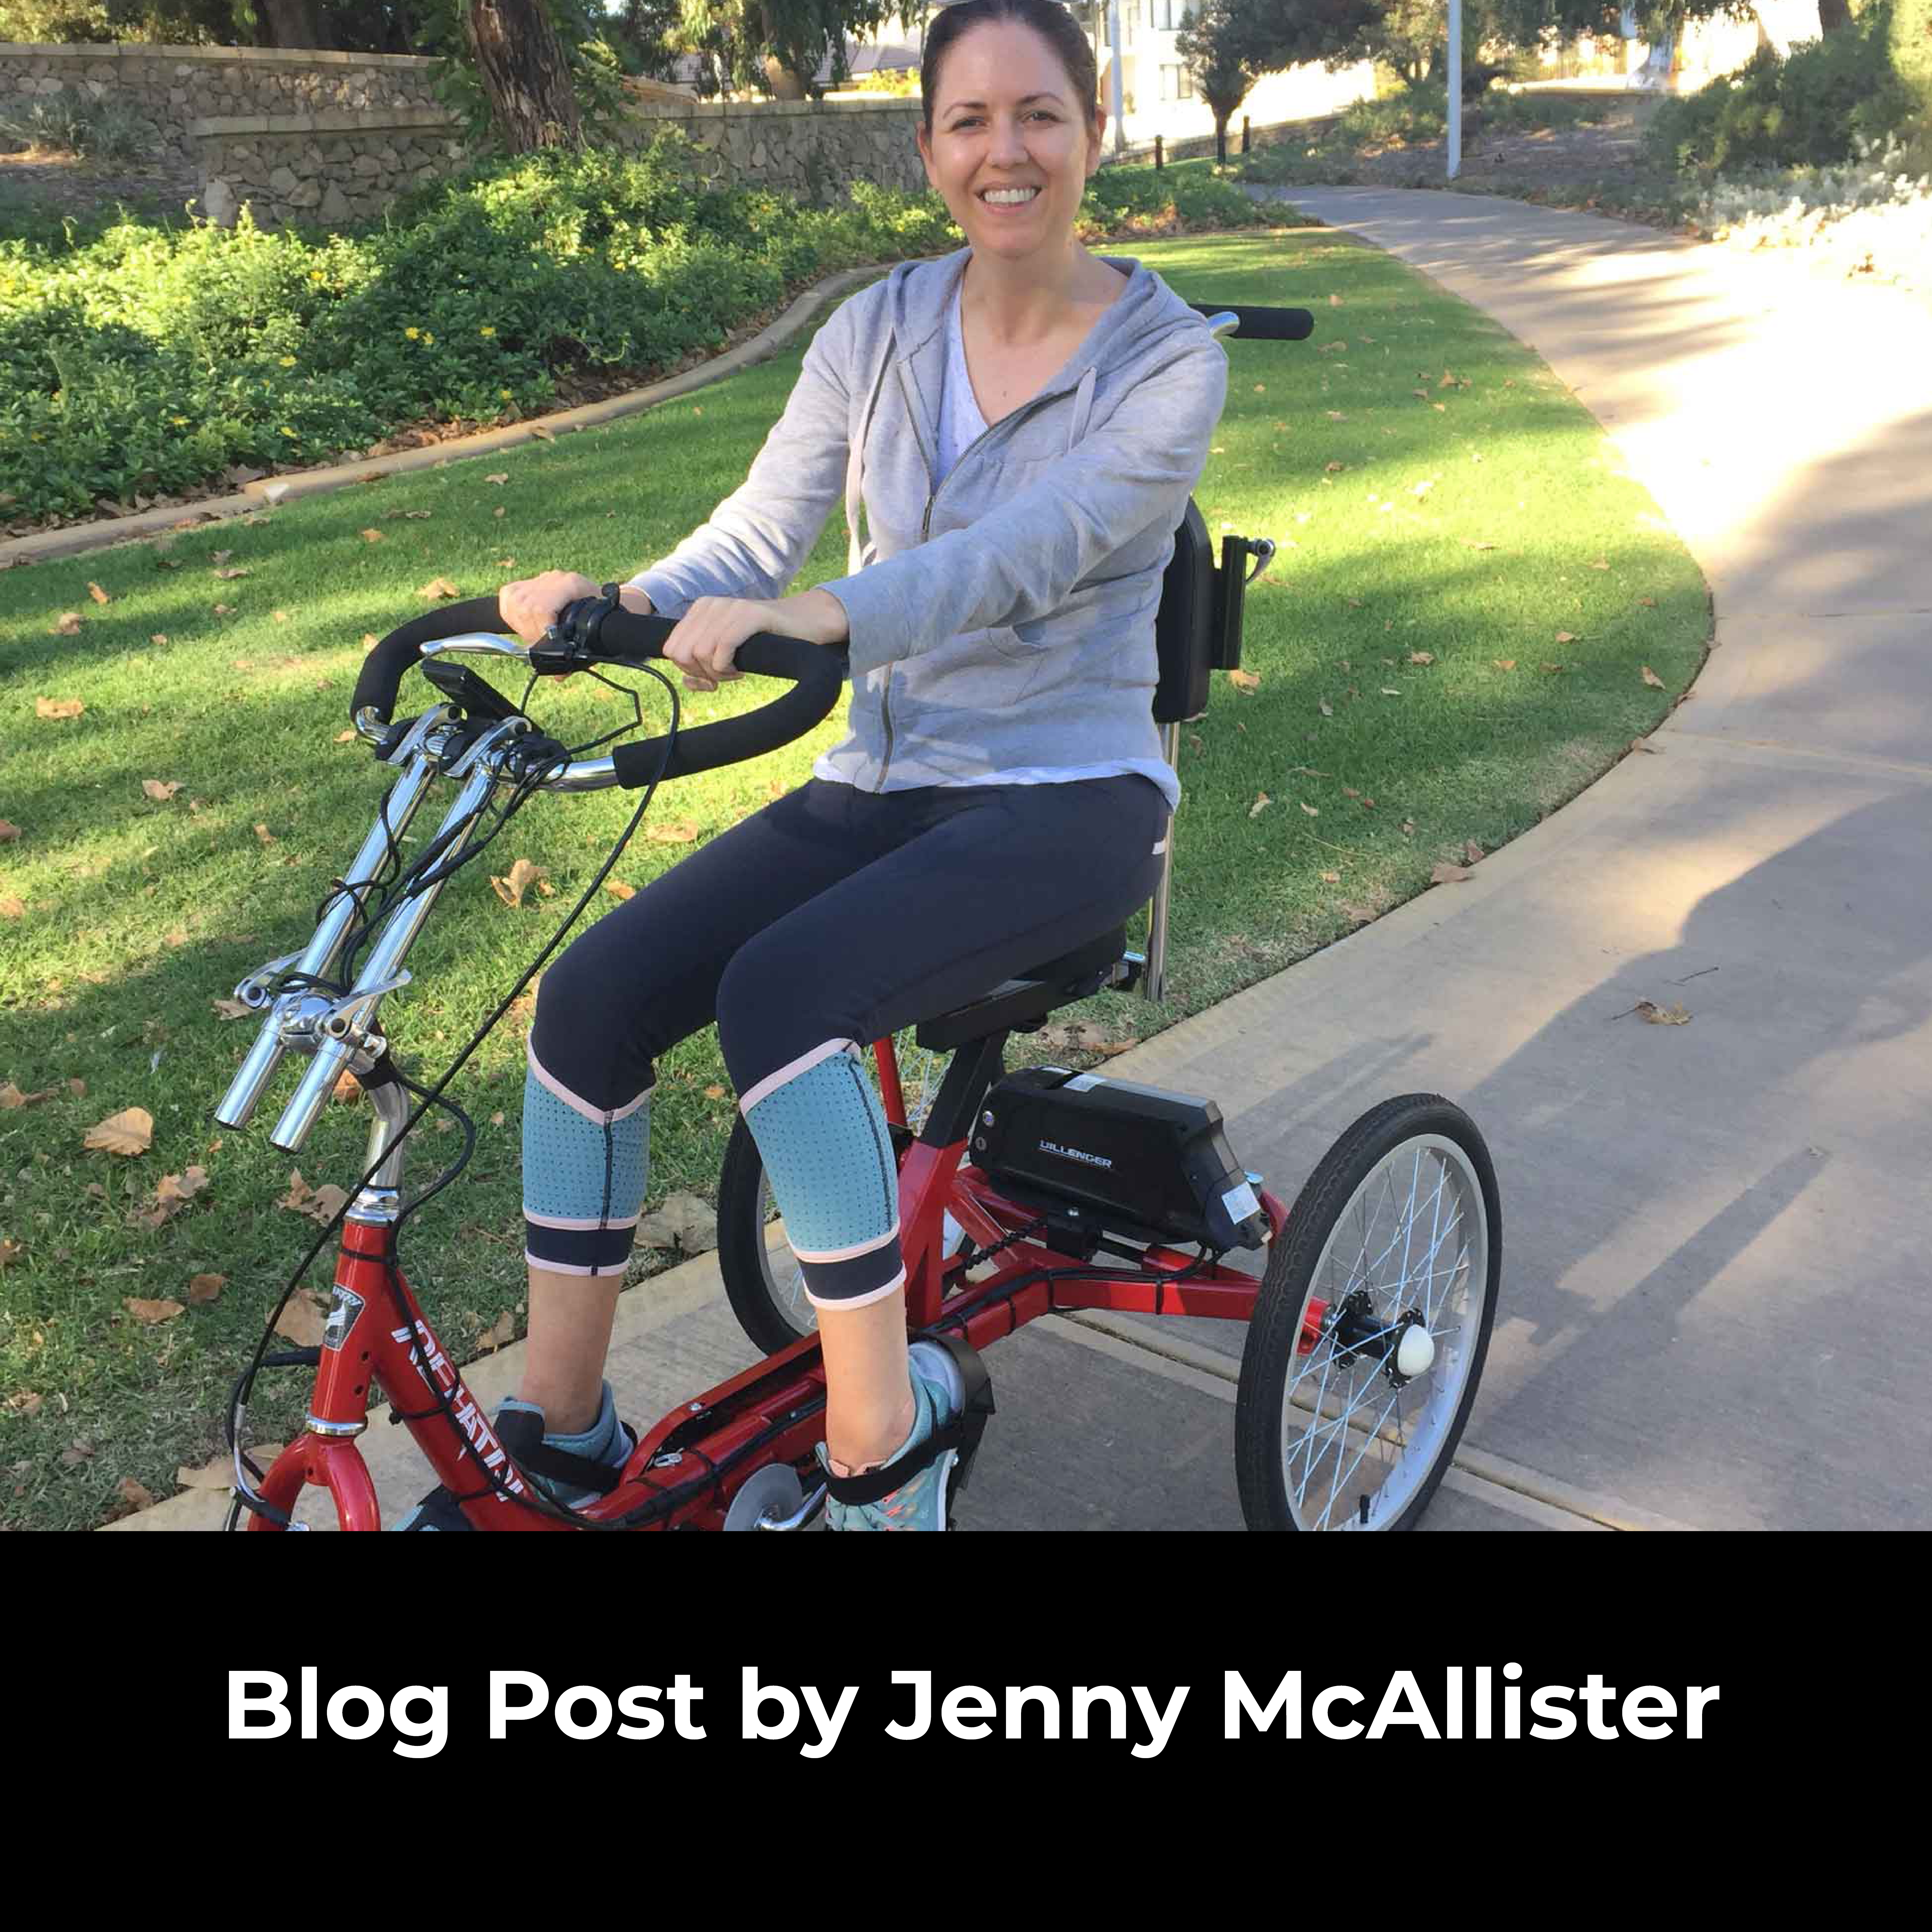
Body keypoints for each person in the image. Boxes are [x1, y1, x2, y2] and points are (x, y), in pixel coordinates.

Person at [398, 0, 1229, 1531]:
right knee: (591, 1001)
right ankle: (563, 1430)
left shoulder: (1168, 363)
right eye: (970, 121)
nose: (1007, 151)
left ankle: (881, 1444)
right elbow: (752, 536)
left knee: (780, 1002)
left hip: (1069, 796)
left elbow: (1020, 561)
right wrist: (612, 605)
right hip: (882, 784)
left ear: (1093, 132)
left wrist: (819, 617)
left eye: (1039, 114)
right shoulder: (879, 329)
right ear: (928, 151)